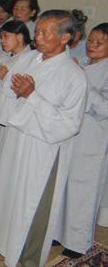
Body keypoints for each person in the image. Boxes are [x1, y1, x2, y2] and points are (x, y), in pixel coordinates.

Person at [0, 10, 87, 267]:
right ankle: (7, 247)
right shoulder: (29, 59)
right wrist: (13, 89)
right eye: (38, 31)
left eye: (45, 32)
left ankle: (28, 259)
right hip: (16, 139)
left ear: (65, 37)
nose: (38, 37)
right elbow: (9, 91)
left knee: (33, 207)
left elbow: (69, 125)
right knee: (8, 195)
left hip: (42, 151)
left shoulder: (73, 76)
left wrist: (32, 96)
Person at [55, 23, 108, 258]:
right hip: (71, 133)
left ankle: (78, 241)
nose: (92, 45)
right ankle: (58, 232)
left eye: (100, 42)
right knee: (63, 185)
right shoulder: (83, 63)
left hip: (92, 139)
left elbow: (104, 107)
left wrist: (82, 80)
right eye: (91, 40)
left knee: (82, 190)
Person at [0, 20, 32, 206]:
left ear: (19, 36)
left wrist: (5, 77)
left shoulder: (31, 59)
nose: (2, 41)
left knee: (8, 162)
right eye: (1, 37)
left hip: (14, 119)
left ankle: (3, 201)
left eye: (6, 36)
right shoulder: (2, 56)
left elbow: (22, 91)